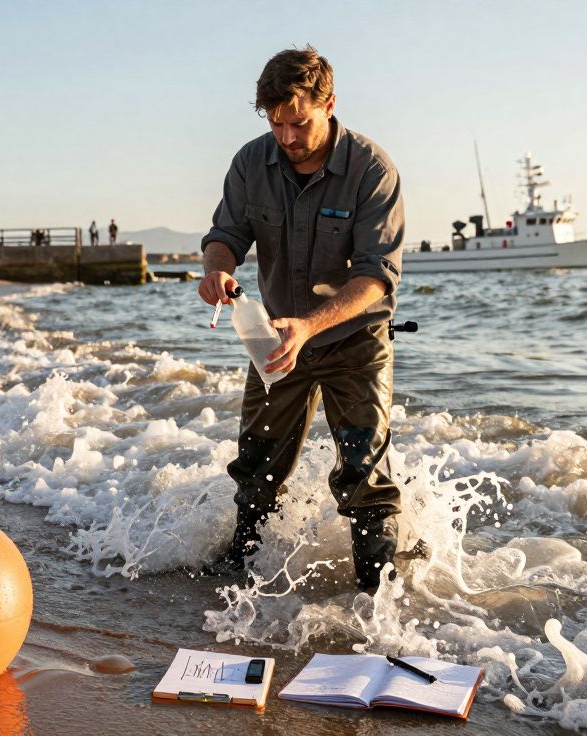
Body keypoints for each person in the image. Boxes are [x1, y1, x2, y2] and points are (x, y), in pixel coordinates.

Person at [198, 46, 416, 591]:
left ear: (330, 104)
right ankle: (238, 583)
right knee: (257, 468)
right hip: (274, 341)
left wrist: (310, 326)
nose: (288, 138)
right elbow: (225, 236)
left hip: (355, 342)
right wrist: (216, 271)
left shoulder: (372, 170)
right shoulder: (251, 163)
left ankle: (380, 597)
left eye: (299, 122)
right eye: (276, 124)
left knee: (364, 475)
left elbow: (375, 275)